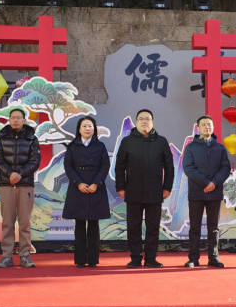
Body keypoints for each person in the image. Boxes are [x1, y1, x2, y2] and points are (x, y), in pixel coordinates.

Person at [115, 109, 174, 268]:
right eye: (141, 119)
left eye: (147, 119)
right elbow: (119, 166)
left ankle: (151, 258)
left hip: (155, 191)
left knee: (153, 227)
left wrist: (167, 187)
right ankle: (135, 258)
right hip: (132, 190)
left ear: (152, 122)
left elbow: (169, 167)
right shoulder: (127, 141)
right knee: (133, 226)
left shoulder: (161, 141)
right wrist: (120, 187)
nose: (144, 121)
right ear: (136, 122)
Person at [0, 107, 40, 268]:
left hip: (25, 185)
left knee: (25, 223)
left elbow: (35, 161)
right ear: (9, 120)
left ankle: (25, 256)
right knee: (7, 222)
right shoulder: (1, 137)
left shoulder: (32, 138)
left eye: (18, 118)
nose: (15, 120)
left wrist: (19, 174)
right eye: (13, 117)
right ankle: (6, 256)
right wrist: (10, 174)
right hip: (6, 185)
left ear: (24, 120)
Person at [182, 115, 231, 268]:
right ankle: (193, 258)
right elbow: (188, 168)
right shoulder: (191, 147)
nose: (207, 127)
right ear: (198, 127)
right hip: (197, 192)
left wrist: (214, 183)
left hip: (215, 193)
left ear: (213, 127)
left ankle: (213, 258)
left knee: (213, 227)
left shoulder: (220, 148)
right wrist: (206, 182)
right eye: (203, 125)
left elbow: (225, 168)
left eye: (209, 124)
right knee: (195, 227)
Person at [62, 116, 111, 268]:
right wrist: (78, 183)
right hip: (78, 187)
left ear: (94, 129)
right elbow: (68, 167)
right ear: (79, 129)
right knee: (80, 224)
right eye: (84, 126)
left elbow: (105, 166)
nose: (87, 129)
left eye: (90, 126)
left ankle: (93, 259)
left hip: (96, 186)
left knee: (94, 224)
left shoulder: (100, 146)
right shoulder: (72, 146)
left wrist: (96, 183)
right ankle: (80, 260)